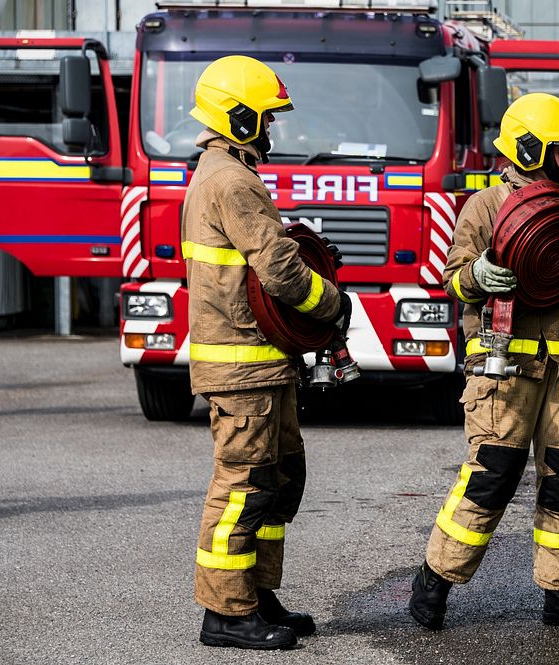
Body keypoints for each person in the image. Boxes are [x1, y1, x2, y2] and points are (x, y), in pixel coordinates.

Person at [408, 92, 559, 631]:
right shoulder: (483, 207)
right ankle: (435, 580)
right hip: (504, 371)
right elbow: (455, 279)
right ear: (530, 149)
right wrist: (479, 277)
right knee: (492, 476)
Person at [182, 55, 350, 650]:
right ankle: (226, 612)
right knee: (244, 485)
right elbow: (280, 268)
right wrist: (332, 304)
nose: (272, 132)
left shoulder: (219, 173)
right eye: (267, 119)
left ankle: (255, 594)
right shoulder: (232, 180)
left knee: (277, 479)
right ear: (241, 116)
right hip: (242, 366)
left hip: (257, 362)